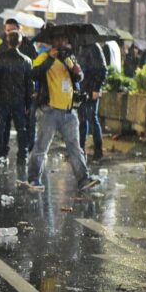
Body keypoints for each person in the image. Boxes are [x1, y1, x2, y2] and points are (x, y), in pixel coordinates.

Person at [26, 32, 101, 192]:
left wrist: (76, 71)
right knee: (41, 147)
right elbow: (34, 74)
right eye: (60, 39)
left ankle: (83, 179)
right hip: (49, 111)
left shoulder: (69, 59)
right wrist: (51, 59)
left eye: (65, 39)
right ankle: (33, 179)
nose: (64, 42)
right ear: (54, 42)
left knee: (74, 147)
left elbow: (79, 78)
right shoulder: (44, 57)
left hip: (68, 111)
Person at [0, 31, 32, 166]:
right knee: (21, 130)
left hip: (2, 100)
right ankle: (22, 157)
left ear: (7, 41)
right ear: (20, 42)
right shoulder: (26, 61)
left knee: (0, 129)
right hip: (19, 101)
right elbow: (29, 84)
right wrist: (28, 104)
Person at [76, 42, 108, 162]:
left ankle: (98, 152)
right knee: (82, 120)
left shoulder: (94, 47)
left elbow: (102, 69)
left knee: (92, 119)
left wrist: (96, 88)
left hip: (91, 90)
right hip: (82, 89)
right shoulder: (79, 47)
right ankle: (81, 151)